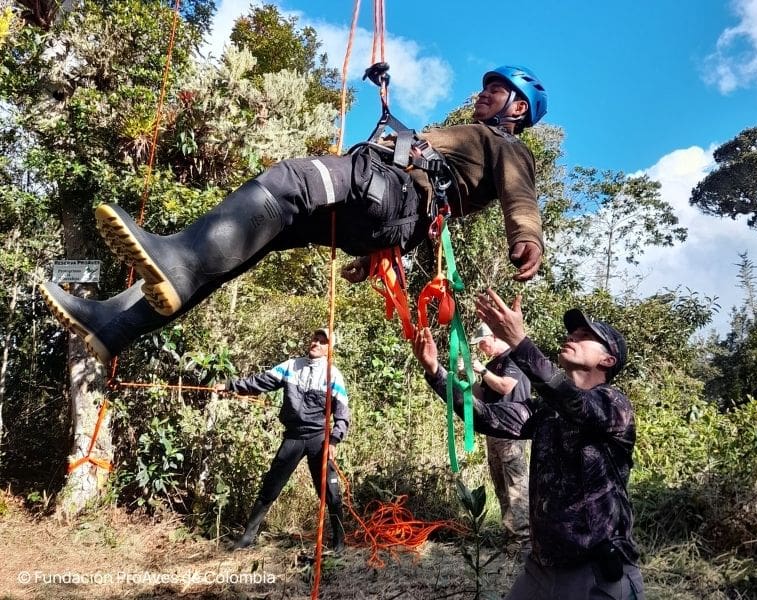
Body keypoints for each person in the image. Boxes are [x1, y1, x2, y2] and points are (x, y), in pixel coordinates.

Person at [38, 66, 547, 363]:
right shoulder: (466, 145)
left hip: (389, 193)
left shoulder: (504, 146)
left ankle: (175, 260)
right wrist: (375, 260)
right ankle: (115, 326)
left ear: (517, 109)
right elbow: (435, 224)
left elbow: (519, 198)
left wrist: (527, 237)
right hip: (385, 207)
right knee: (252, 240)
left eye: (497, 89)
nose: (484, 93)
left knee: (291, 180)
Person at [412, 291, 644, 600]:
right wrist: (436, 372)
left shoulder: (614, 404)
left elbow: (574, 402)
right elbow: (485, 417)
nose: (572, 337)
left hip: (594, 575)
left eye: (585, 335)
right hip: (540, 571)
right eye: (572, 332)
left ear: (607, 359)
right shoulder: (547, 411)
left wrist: (520, 343)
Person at [214, 327, 349, 552]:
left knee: (330, 491)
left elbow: (343, 413)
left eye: (322, 341)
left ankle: (339, 541)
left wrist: (334, 440)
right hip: (294, 437)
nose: (316, 343)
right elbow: (259, 382)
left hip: (319, 438)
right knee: (271, 486)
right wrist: (230, 386)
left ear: (329, 349)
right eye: (315, 338)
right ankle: (247, 538)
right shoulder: (290, 366)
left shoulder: (333, 375)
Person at [468, 322, 531, 554]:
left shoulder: (514, 358)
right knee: (500, 484)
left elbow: (505, 387)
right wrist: (470, 379)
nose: (481, 347)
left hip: (512, 430)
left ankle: (524, 540)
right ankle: (510, 536)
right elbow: (482, 397)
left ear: (493, 336)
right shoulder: (492, 363)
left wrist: (483, 371)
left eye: (482, 342)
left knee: (516, 483)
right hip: (493, 430)